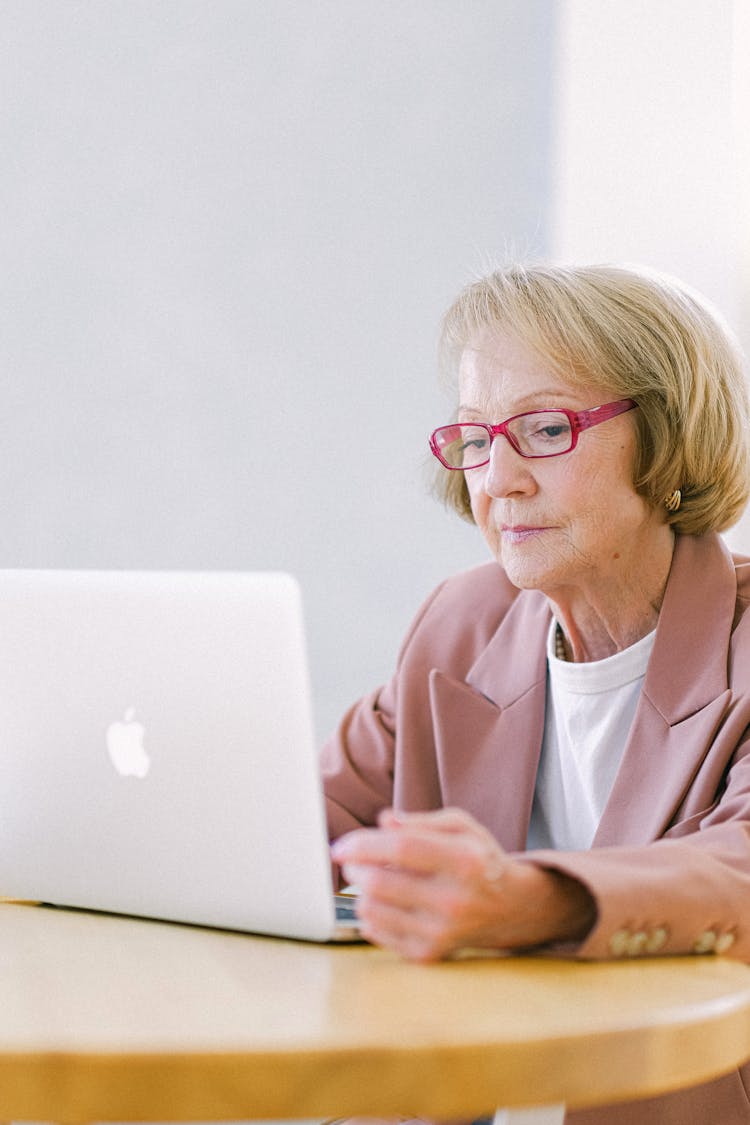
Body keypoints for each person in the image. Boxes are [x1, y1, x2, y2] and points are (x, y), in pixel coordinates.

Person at [322, 263, 750, 1124]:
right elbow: (308, 819)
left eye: (547, 429)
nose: (499, 478)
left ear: (666, 439)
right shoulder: (464, 623)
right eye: (477, 439)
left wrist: (530, 898)